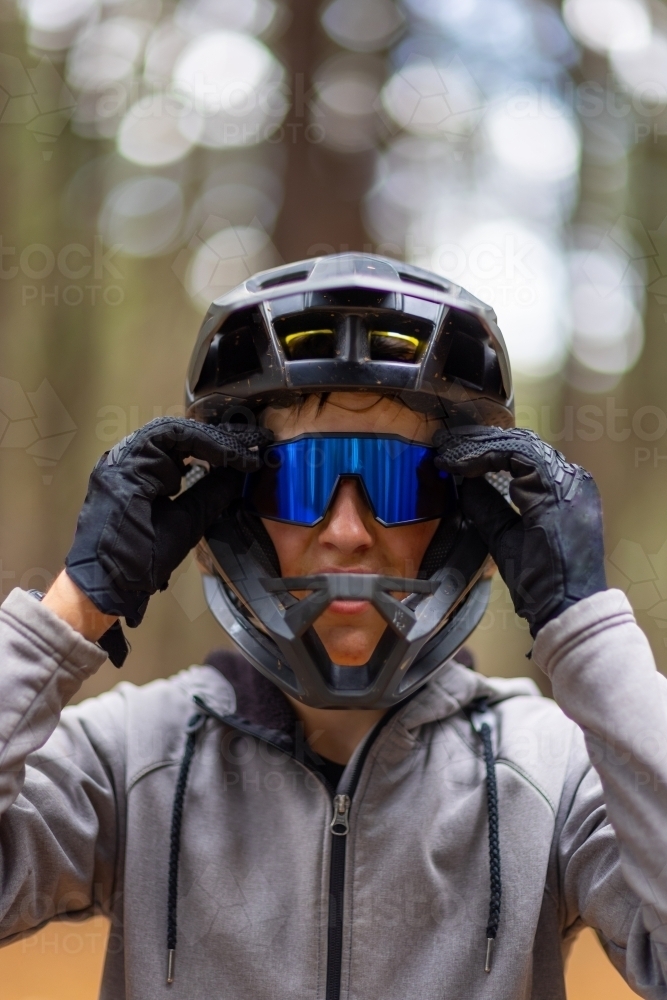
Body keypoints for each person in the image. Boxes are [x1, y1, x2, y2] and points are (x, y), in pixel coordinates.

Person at [0, 253, 665, 1000]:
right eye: (300, 482)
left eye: (398, 484)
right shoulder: (131, 760)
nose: (347, 531)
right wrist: (70, 610)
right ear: (233, 512)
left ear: (463, 519)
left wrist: (585, 628)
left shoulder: (550, 771)